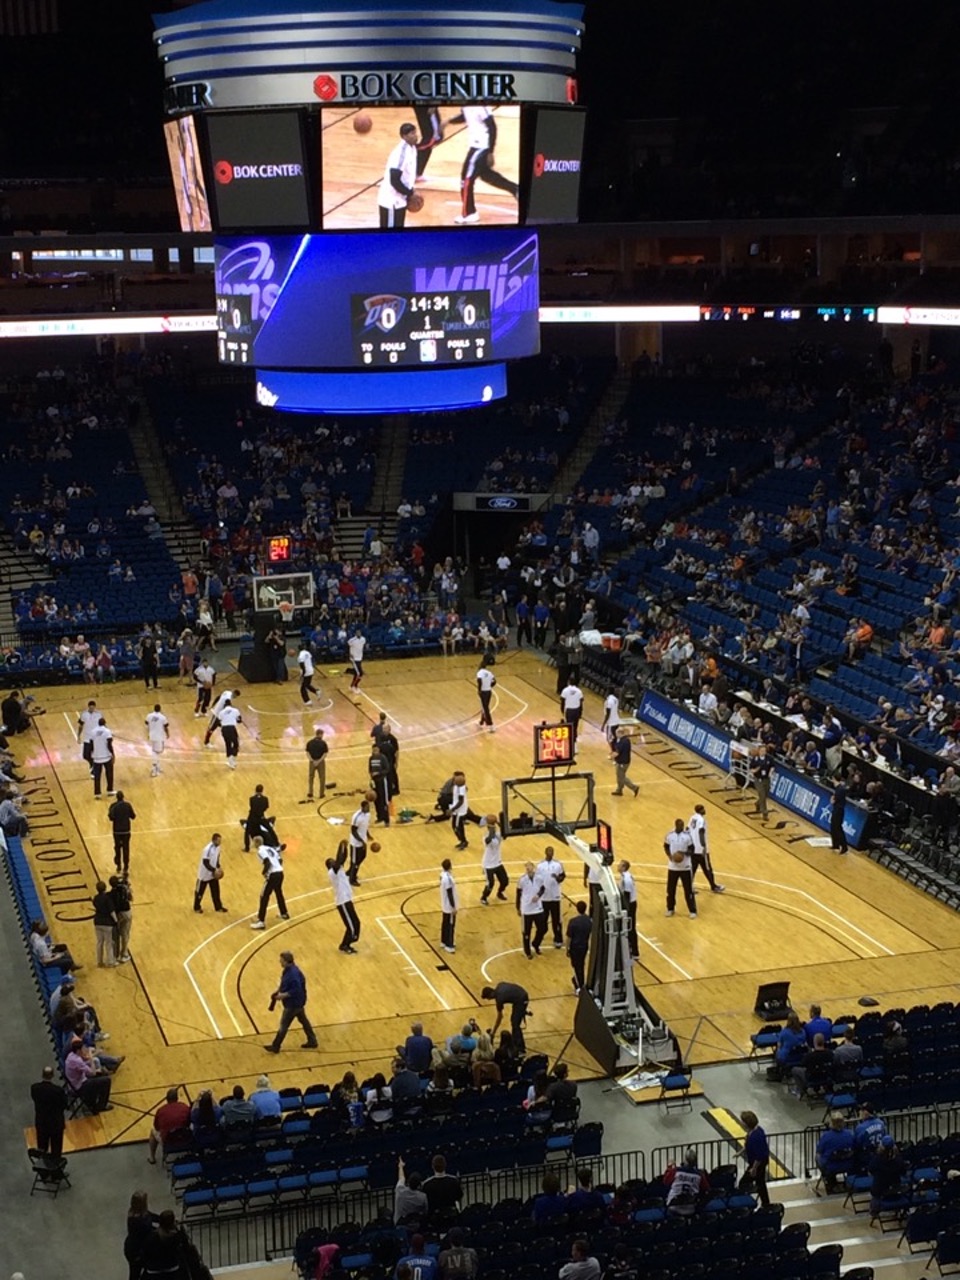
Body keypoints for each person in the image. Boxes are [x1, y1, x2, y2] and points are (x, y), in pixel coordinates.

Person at [448, 104, 519, 224]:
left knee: (466, 180)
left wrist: (490, 152)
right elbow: (466, 116)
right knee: (486, 175)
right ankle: (516, 189)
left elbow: (492, 127)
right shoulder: (466, 104)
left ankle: (470, 213)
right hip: (475, 146)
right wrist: (448, 122)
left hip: (481, 147)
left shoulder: (481, 106)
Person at [263, 950, 318, 1053]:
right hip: (298, 1002)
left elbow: (296, 989)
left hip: (293, 1004)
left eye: (281, 960)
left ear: (286, 961)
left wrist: (283, 995)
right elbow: (285, 983)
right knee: (304, 1021)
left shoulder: (293, 975)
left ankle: (276, 1046)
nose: (280, 962)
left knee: (283, 1025)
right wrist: (278, 991)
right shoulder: (289, 970)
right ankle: (312, 1040)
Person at [377, 122, 418, 229]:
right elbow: (394, 180)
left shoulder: (412, 149)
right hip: (391, 201)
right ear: (404, 136)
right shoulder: (401, 153)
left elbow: (407, 176)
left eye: (415, 132)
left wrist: (410, 191)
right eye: (412, 134)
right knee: (389, 237)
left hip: (400, 200)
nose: (415, 136)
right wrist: (410, 193)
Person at [326, 840, 360, 954]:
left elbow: (343, 857)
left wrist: (344, 848)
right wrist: (341, 845)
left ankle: (349, 941)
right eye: (332, 861)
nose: (334, 861)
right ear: (329, 866)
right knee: (350, 927)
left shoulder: (339, 869)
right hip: (342, 902)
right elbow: (340, 858)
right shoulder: (332, 872)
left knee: (356, 923)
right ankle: (344, 945)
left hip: (347, 900)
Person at [64, 1039, 113, 1112]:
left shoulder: (71, 1055)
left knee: (100, 1073)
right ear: (78, 1050)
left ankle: (93, 1098)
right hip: (81, 1086)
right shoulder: (77, 1061)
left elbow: (84, 1064)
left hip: (75, 1081)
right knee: (107, 1080)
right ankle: (101, 1106)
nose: (84, 1050)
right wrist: (91, 1058)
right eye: (82, 1048)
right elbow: (92, 1073)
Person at [482, 980, 530, 1054]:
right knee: (514, 1019)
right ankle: (515, 1043)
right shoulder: (499, 985)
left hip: (521, 1000)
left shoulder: (499, 999)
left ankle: (520, 1048)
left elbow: (500, 1017)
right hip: (520, 996)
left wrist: (493, 1033)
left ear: (490, 995)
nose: (488, 1000)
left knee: (515, 1023)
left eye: (487, 998)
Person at [251, 837, 289, 929]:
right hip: (280, 873)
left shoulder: (260, 851)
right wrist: (277, 867)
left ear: (256, 843)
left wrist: (264, 872)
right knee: (278, 892)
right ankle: (284, 913)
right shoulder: (270, 848)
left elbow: (267, 862)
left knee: (264, 896)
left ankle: (261, 921)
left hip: (273, 875)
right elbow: (280, 860)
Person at [30, 1065, 67, 1158]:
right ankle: (56, 1169)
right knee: (56, 1148)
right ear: (52, 1075)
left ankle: (43, 1167)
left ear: (42, 1075)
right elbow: (64, 1105)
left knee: (42, 1147)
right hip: (56, 1123)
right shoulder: (58, 1091)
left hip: (41, 1122)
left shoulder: (34, 1088)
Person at [868, 1135, 907, 1219]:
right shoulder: (898, 1160)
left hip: (879, 1190)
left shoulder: (877, 1160)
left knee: (876, 1189)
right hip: (896, 1188)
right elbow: (903, 1172)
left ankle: (874, 1210)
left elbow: (870, 1170)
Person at [147, 1087, 190, 1164]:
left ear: (166, 1099)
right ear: (177, 1098)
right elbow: (189, 1122)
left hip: (168, 1141)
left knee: (152, 1132)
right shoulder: (185, 1107)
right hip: (184, 1138)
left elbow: (156, 1127)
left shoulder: (161, 1110)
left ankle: (152, 1158)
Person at [663, 1147, 710, 1217]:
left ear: (685, 1160)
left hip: (673, 1206)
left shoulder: (676, 1171)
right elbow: (706, 1188)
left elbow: (665, 1181)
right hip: (690, 1207)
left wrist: (670, 1167)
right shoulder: (699, 1175)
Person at [664, 818, 696, 918]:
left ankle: (692, 910)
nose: (682, 827)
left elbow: (692, 850)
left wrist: (683, 853)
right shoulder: (669, 835)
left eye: (682, 825)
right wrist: (669, 855)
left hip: (685, 867)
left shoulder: (687, 836)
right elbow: (665, 846)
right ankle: (670, 909)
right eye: (680, 825)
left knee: (688, 890)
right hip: (673, 867)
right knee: (670, 890)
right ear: (676, 825)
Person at [124, 1190, 160, 1280]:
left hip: (136, 1248)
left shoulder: (140, 1212)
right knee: (135, 1273)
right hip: (136, 1252)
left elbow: (151, 1216)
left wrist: (162, 1219)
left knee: (135, 1273)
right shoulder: (136, 1220)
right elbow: (147, 1232)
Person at [816, 1112, 855, 1192]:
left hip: (831, 1166)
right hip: (848, 1164)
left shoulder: (826, 1136)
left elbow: (819, 1151)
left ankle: (831, 1183)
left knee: (817, 1157)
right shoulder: (850, 1134)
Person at [739, 1110, 770, 1207]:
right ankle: (766, 1203)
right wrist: (741, 1151)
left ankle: (747, 1203)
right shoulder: (756, 1131)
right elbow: (749, 1145)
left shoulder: (755, 1137)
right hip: (759, 1162)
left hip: (758, 1164)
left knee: (743, 1183)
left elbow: (759, 1155)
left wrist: (754, 1168)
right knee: (760, 1183)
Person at [517, 860, 547, 958]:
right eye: (526, 867)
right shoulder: (522, 879)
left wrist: (538, 895)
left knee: (543, 928)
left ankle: (536, 943)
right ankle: (527, 951)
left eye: (529, 867)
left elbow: (543, 888)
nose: (528, 869)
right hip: (527, 909)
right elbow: (518, 894)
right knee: (526, 932)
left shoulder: (539, 878)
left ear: (533, 867)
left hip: (538, 907)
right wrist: (518, 907)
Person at [536, 846, 566, 946]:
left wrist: (558, 878)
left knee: (556, 919)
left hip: (555, 896)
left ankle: (558, 939)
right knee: (543, 919)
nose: (550, 853)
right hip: (544, 897)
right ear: (545, 852)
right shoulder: (540, 866)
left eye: (552, 851)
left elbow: (562, 877)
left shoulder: (558, 864)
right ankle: (541, 934)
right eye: (549, 851)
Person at [194, 832, 226, 914]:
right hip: (204, 875)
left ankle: (218, 907)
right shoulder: (207, 849)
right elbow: (205, 862)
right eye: (218, 841)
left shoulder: (218, 847)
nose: (220, 842)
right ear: (214, 840)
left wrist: (218, 866)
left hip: (212, 875)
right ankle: (196, 907)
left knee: (216, 891)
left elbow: (217, 857)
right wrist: (214, 870)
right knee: (199, 892)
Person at [479, 814, 509, 904]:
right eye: (492, 828)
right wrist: (491, 825)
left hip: (497, 862)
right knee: (490, 884)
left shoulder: (498, 834)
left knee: (505, 881)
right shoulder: (486, 837)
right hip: (488, 864)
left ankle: (499, 892)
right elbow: (489, 840)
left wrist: (498, 822)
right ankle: (483, 897)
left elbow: (505, 833)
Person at [422, 1152, 462, 1218]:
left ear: (432, 1167)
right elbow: (459, 1196)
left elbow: (426, 1202)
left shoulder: (427, 1184)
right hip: (451, 1216)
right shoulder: (454, 1181)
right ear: (445, 1165)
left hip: (435, 1218)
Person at [566, 900, 592, 993]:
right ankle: (579, 981)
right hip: (584, 946)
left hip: (575, 947)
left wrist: (567, 948)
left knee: (576, 966)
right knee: (581, 964)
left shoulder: (573, 922)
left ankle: (579, 986)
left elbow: (569, 937)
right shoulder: (589, 920)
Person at [394, 1156, 429, 1225]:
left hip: (401, 1224)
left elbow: (401, 1178)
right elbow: (425, 1211)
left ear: (408, 1183)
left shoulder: (400, 1190)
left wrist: (400, 1167)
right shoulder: (422, 1197)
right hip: (417, 1224)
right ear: (419, 1186)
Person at [108, 790, 136, 873]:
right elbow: (133, 816)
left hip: (117, 831)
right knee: (126, 848)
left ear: (116, 797)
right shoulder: (127, 805)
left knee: (117, 847)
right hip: (126, 831)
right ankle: (126, 866)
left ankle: (118, 865)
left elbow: (111, 818)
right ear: (123, 797)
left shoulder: (113, 806)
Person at [91, 879, 118, 967]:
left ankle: (99, 961)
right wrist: (116, 920)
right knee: (108, 943)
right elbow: (111, 911)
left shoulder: (95, 898)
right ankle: (110, 962)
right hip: (107, 923)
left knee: (99, 942)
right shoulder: (107, 898)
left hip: (97, 922)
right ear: (105, 888)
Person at [110, 873, 133, 964]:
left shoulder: (110, 894)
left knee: (116, 934)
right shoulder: (123, 889)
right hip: (126, 913)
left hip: (117, 914)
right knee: (125, 934)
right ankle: (124, 954)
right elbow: (131, 898)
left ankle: (115, 955)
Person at [449, 770, 477, 850]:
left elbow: (460, 801)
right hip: (456, 809)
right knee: (455, 826)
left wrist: (452, 809)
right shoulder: (455, 786)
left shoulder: (461, 788)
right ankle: (462, 840)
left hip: (459, 810)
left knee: (457, 826)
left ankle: (464, 841)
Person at [243, 783, 274, 852]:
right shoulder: (265, 799)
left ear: (255, 790)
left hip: (252, 817)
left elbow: (252, 807)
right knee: (270, 829)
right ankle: (276, 844)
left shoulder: (251, 799)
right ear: (262, 790)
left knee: (247, 832)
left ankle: (247, 847)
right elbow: (266, 807)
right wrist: (261, 811)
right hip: (261, 817)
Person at [618, 860, 639, 960]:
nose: (617, 866)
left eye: (620, 865)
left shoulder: (626, 879)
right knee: (628, 927)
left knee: (631, 928)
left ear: (624, 867)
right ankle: (630, 948)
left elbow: (627, 895)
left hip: (630, 905)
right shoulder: (624, 876)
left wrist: (624, 909)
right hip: (630, 903)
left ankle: (635, 952)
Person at [90, 716, 115, 797]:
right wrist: (112, 754)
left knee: (97, 776)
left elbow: (91, 744)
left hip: (96, 757)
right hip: (106, 756)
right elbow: (109, 744)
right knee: (109, 774)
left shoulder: (93, 731)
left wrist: (92, 753)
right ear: (105, 723)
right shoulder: (107, 731)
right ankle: (110, 790)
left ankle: (97, 793)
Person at [610, 727, 639, 797]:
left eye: (617, 734)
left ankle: (634, 787)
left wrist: (611, 757)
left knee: (621, 777)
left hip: (622, 763)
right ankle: (619, 790)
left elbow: (617, 753)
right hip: (626, 761)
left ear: (620, 733)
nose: (616, 735)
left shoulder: (621, 742)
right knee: (619, 775)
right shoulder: (627, 740)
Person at [348, 798, 371, 885]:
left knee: (362, 857)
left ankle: (350, 871)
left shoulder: (368, 814)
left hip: (363, 841)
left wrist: (368, 835)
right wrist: (361, 841)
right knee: (355, 861)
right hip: (355, 843)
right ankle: (352, 879)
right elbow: (353, 831)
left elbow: (365, 826)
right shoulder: (356, 817)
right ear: (362, 807)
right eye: (367, 807)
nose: (369, 808)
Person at [144, 704, 169, 777]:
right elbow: (166, 726)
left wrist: (148, 731)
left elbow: (146, 723)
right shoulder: (162, 717)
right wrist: (168, 734)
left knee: (156, 751)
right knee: (156, 752)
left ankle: (157, 766)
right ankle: (154, 769)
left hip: (152, 735)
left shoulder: (149, 715)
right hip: (159, 736)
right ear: (160, 709)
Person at [440, 858, 459, 953]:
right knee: (450, 925)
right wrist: (453, 906)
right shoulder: (447, 879)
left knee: (445, 923)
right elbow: (449, 893)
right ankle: (449, 944)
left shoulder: (443, 875)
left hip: (444, 905)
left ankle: (443, 941)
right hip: (448, 906)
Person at [218, 697, 242, 768]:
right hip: (232, 728)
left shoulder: (221, 712)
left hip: (224, 729)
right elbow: (239, 720)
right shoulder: (236, 710)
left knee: (228, 744)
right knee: (236, 743)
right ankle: (233, 758)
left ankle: (230, 761)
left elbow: (219, 722)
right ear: (231, 704)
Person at [369, 744, 390, 824]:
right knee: (376, 799)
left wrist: (378, 773)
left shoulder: (383, 758)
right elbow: (370, 769)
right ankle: (379, 817)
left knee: (383, 800)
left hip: (382, 780)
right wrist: (371, 779)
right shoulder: (371, 758)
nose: (375, 751)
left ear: (379, 750)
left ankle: (386, 819)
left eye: (376, 750)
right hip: (374, 781)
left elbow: (387, 769)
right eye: (373, 750)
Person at [305, 726, 328, 800]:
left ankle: (310, 792)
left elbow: (307, 752)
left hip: (312, 762)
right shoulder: (323, 743)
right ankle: (321, 794)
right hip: (320, 762)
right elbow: (325, 754)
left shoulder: (310, 742)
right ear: (320, 734)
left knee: (311, 777)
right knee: (322, 778)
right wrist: (318, 761)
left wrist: (312, 760)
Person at [77, 698, 99, 772]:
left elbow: (103, 725)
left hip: (96, 738)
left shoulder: (99, 714)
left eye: (93, 708)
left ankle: (94, 770)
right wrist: (79, 736)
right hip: (87, 738)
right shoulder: (84, 714)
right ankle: (92, 763)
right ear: (88, 707)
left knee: (96, 754)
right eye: (90, 708)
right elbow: (80, 726)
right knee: (85, 755)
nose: (92, 709)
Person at [559, 678, 584, 744]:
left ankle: (569, 739)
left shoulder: (565, 690)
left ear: (569, 682)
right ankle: (574, 740)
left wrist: (562, 710)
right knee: (575, 726)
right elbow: (581, 702)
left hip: (569, 710)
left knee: (569, 725)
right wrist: (580, 712)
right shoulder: (579, 691)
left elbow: (562, 701)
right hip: (576, 710)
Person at [476, 656, 496, 731]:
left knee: (485, 708)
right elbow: (494, 681)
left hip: (483, 692)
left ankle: (490, 725)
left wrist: (479, 690)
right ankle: (481, 722)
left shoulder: (479, 673)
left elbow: (479, 681)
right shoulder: (489, 673)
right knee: (485, 707)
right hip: (489, 691)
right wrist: (489, 686)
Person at [752, 744, 773, 818]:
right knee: (762, 795)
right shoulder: (755, 759)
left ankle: (758, 803)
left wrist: (770, 772)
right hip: (758, 779)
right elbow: (751, 769)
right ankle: (765, 813)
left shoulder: (769, 759)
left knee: (766, 794)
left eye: (764, 751)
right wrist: (755, 770)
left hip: (766, 779)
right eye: (761, 751)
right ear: (759, 751)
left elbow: (772, 766)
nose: (763, 752)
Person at [830, 779, 849, 852]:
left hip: (838, 811)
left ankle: (844, 847)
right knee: (833, 828)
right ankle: (835, 845)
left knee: (837, 829)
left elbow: (833, 801)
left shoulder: (840, 789)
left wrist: (832, 800)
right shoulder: (839, 788)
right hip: (837, 809)